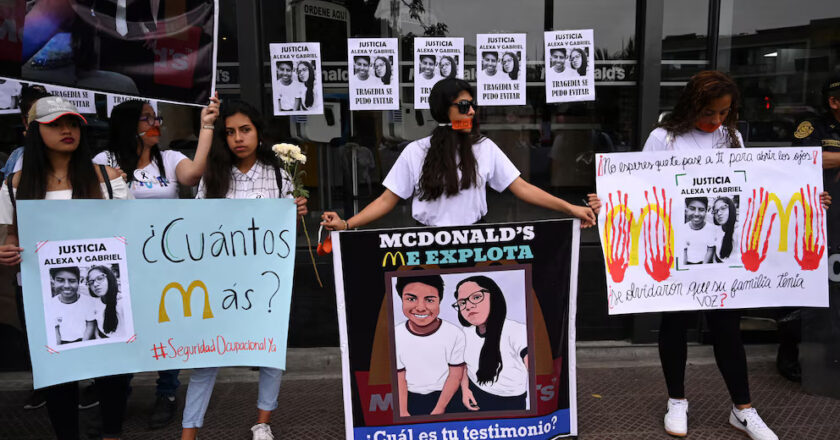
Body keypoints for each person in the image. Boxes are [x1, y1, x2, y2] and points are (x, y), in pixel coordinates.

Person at [588, 71, 777, 440]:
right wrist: (607, 201)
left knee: (727, 328)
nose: (716, 121)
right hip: (678, 250)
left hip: (722, 255)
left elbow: (755, 187)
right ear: (691, 106)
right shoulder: (664, 138)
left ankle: (743, 408)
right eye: (709, 112)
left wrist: (806, 202)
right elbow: (639, 186)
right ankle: (677, 400)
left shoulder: (732, 137)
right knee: (675, 323)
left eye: (724, 112)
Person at [0, 96, 132, 440]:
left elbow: (132, 234)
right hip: (42, 293)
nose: (66, 130)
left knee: (112, 368)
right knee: (57, 371)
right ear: (35, 131)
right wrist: (6, 251)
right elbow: (7, 237)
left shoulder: (107, 178)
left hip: (103, 289)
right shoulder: (15, 186)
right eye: (55, 124)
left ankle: (112, 434)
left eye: (72, 123)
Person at [183, 99, 307, 440]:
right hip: (220, 280)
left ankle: (262, 422)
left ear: (258, 132)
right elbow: (199, 226)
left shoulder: (279, 174)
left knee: (269, 351)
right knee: (206, 355)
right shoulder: (213, 176)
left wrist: (294, 213)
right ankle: (189, 430)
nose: (238, 138)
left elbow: (282, 236)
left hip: (265, 279)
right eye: (231, 132)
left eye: (245, 130)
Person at [92, 95, 218, 429]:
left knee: (168, 324)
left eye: (157, 118)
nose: (156, 124)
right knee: (121, 326)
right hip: (120, 263)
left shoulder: (170, 158)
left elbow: (192, 176)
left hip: (165, 261)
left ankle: (167, 392)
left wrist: (206, 126)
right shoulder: (103, 159)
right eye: (148, 119)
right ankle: (117, 395)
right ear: (127, 125)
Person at [320, 78, 594, 230]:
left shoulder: (484, 147)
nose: (472, 111)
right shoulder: (416, 151)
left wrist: (571, 209)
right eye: (464, 106)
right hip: (426, 244)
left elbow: (522, 188)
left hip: (475, 240)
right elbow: (386, 199)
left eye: (472, 105)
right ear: (444, 109)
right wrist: (346, 224)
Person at [781, 75, 840, 383]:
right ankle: (790, 358)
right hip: (819, 224)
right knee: (807, 294)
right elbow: (804, 160)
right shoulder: (813, 127)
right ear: (834, 101)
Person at [393, 274, 465, 416]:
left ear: (440, 301)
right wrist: (403, 411)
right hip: (410, 398)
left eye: (430, 300)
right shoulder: (396, 334)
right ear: (401, 299)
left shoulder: (455, 334)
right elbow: (399, 377)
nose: (420, 308)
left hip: (447, 396)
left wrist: (439, 409)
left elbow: (455, 376)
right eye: (411, 299)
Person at [454, 276, 528, 412]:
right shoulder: (464, 333)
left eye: (476, 297)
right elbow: (463, 365)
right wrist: (465, 390)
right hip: (473, 393)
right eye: (462, 303)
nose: (468, 306)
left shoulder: (517, 331)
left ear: (494, 297)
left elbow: (537, 370)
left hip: (509, 402)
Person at [48, 267, 96, 344]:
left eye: (72, 281)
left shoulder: (87, 301)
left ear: (79, 281)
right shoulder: (50, 304)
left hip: (84, 340)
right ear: (53, 281)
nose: (67, 285)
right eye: (60, 280)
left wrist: (83, 345)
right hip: (63, 342)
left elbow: (90, 325)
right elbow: (55, 330)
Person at [86, 265, 124, 339]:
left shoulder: (122, 304)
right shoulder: (94, 301)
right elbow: (97, 322)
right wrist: (97, 336)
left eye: (100, 278)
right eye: (91, 282)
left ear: (109, 278)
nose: (95, 284)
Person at [682, 197, 715, 264]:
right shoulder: (683, 229)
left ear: (706, 210)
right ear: (686, 210)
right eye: (692, 209)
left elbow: (710, 250)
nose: (696, 214)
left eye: (701, 210)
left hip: (704, 263)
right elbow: (684, 252)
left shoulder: (711, 229)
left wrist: (702, 267)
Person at [712, 196, 739, 263]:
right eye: (715, 211)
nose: (719, 213)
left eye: (723, 208)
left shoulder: (738, 232)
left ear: (731, 209)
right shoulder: (717, 230)